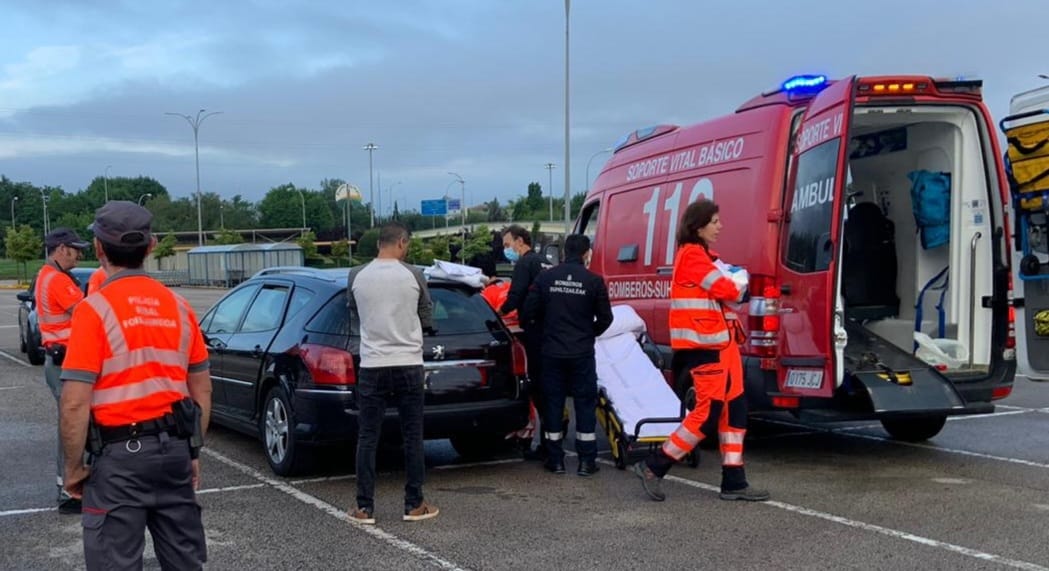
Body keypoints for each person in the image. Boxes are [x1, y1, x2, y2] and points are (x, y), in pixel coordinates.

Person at [58, 201, 213, 569]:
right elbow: (202, 391)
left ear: (97, 249)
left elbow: (74, 403)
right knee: (185, 561)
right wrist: (191, 451)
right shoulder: (179, 307)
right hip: (174, 451)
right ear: (151, 246)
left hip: (118, 458)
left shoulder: (93, 310)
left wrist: (74, 466)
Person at [633, 200, 769, 502]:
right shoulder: (693, 257)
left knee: (735, 413)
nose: (720, 227)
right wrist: (739, 284)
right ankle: (655, 465)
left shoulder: (703, 257)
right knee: (706, 415)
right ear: (698, 226)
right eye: (715, 221)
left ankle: (734, 481)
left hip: (723, 346)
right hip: (707, 346)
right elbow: (732, 291)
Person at [347, 221, 439, 525]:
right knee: (413, 435)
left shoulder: (356, 276)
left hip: (372, 365)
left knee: (368, 436)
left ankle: (364, 507)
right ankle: (414, 504)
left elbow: (353, 311)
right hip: (408, 363)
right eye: (407, 245)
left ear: (378, 244)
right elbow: (426, 315)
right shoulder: (414, 275)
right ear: (401, 243)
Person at [522, 234, 613, 476]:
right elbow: (606, 319)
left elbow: (529, 311)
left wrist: (546, 333)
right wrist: (587, 334)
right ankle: (586, 461)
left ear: (563, 253)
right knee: (585, 403)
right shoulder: (594, 281)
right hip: (581, 352)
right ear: (586, 254)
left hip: (552, 352)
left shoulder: (546, 278)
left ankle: (556, 459)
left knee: (553, 403)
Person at [34, 227, 91, 514]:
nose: (79, 254)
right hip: (65, 362)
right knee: (74, 427)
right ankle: (71, 491)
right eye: (75, 248)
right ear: (60, 249)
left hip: (58, 361)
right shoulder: (57, 280)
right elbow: (88, 314)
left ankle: (70, 487)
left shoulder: (46, 276)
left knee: (71, 425)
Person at [499, 225, 553, 459]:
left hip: (535, 330)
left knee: (539, 387)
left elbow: (516, 294)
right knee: (553, 388)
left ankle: (547, 446)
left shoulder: (524, 263)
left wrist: (499, 312)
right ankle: (553, 441)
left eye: (507, 244)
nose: (505, 249)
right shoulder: (545, 262)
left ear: (520, 241)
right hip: (552, 330)